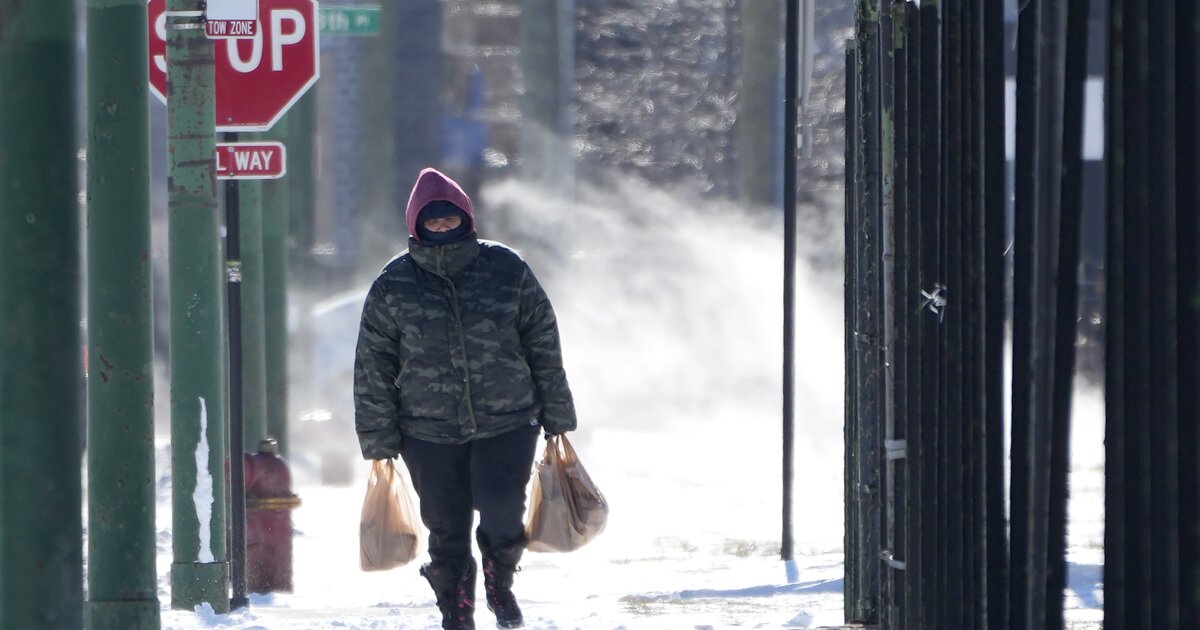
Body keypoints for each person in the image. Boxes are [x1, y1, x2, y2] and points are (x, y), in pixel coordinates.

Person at [354, 167, 577, 630]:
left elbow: (542, 341)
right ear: (416, 223)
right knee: (446, 525)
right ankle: (456, 609)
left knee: (502, 508)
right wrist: (378, 434)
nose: (441, 225)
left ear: (466, 217)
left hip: (508, 419)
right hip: (426, 429)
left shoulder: (506, 269)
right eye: (431, 219)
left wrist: (557, 410)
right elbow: (373, 363)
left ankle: (500, 579)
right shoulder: (393, 285)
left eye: (448, 217)